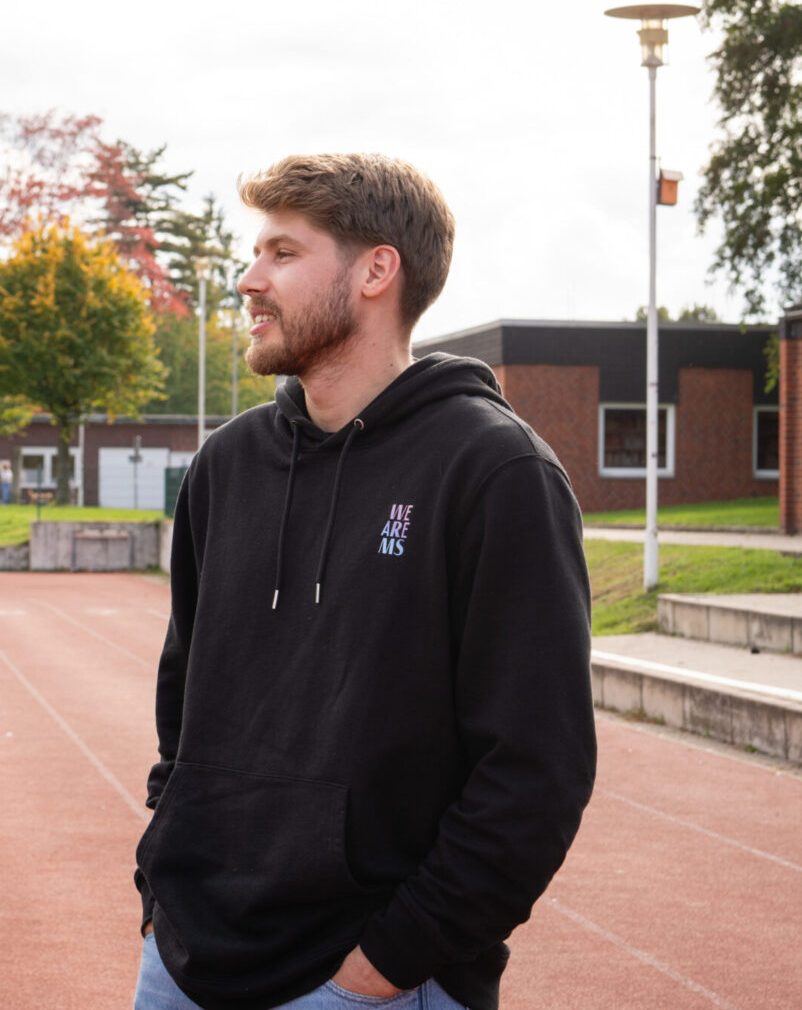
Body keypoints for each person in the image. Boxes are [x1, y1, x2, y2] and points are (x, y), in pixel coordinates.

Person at [133, 154, 595, 1010]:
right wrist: (162, 890)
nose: (247, 280)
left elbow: (538, 771)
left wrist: (385, 963)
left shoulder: (496, 472)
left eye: (281, 253)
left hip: (370, 982)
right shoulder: (225, 468)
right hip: (185, 963)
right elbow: (182, 711)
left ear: (377, 269)